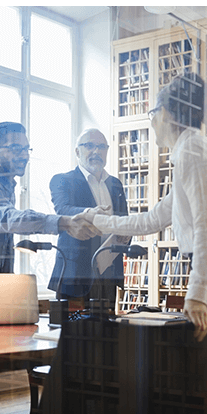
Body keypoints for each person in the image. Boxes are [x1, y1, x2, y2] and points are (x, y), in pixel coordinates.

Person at [76, 73, 207, 414]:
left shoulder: (193, 152)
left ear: (168, 114)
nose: (151, 121)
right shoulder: (191, 150)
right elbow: (152, 219)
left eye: (152, 112)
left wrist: (198, 294)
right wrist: (96, 219)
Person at [0, 121, 100, 321]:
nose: (24, 155)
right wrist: (63, 222)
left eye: (26, 149)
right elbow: (8, 219)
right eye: (16, 149)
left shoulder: (7, 185)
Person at [48, 128, 128, 305]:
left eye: (101, 147)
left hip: (109, 272)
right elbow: (63, 209)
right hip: (75, 274)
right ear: (77, 151)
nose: (96, 151)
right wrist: (89, 214)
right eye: (90, 146)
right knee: (72, 330)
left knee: (107, 330)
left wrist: (126, 232)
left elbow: (124, 220)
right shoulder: (62, 180)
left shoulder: (115, 184)